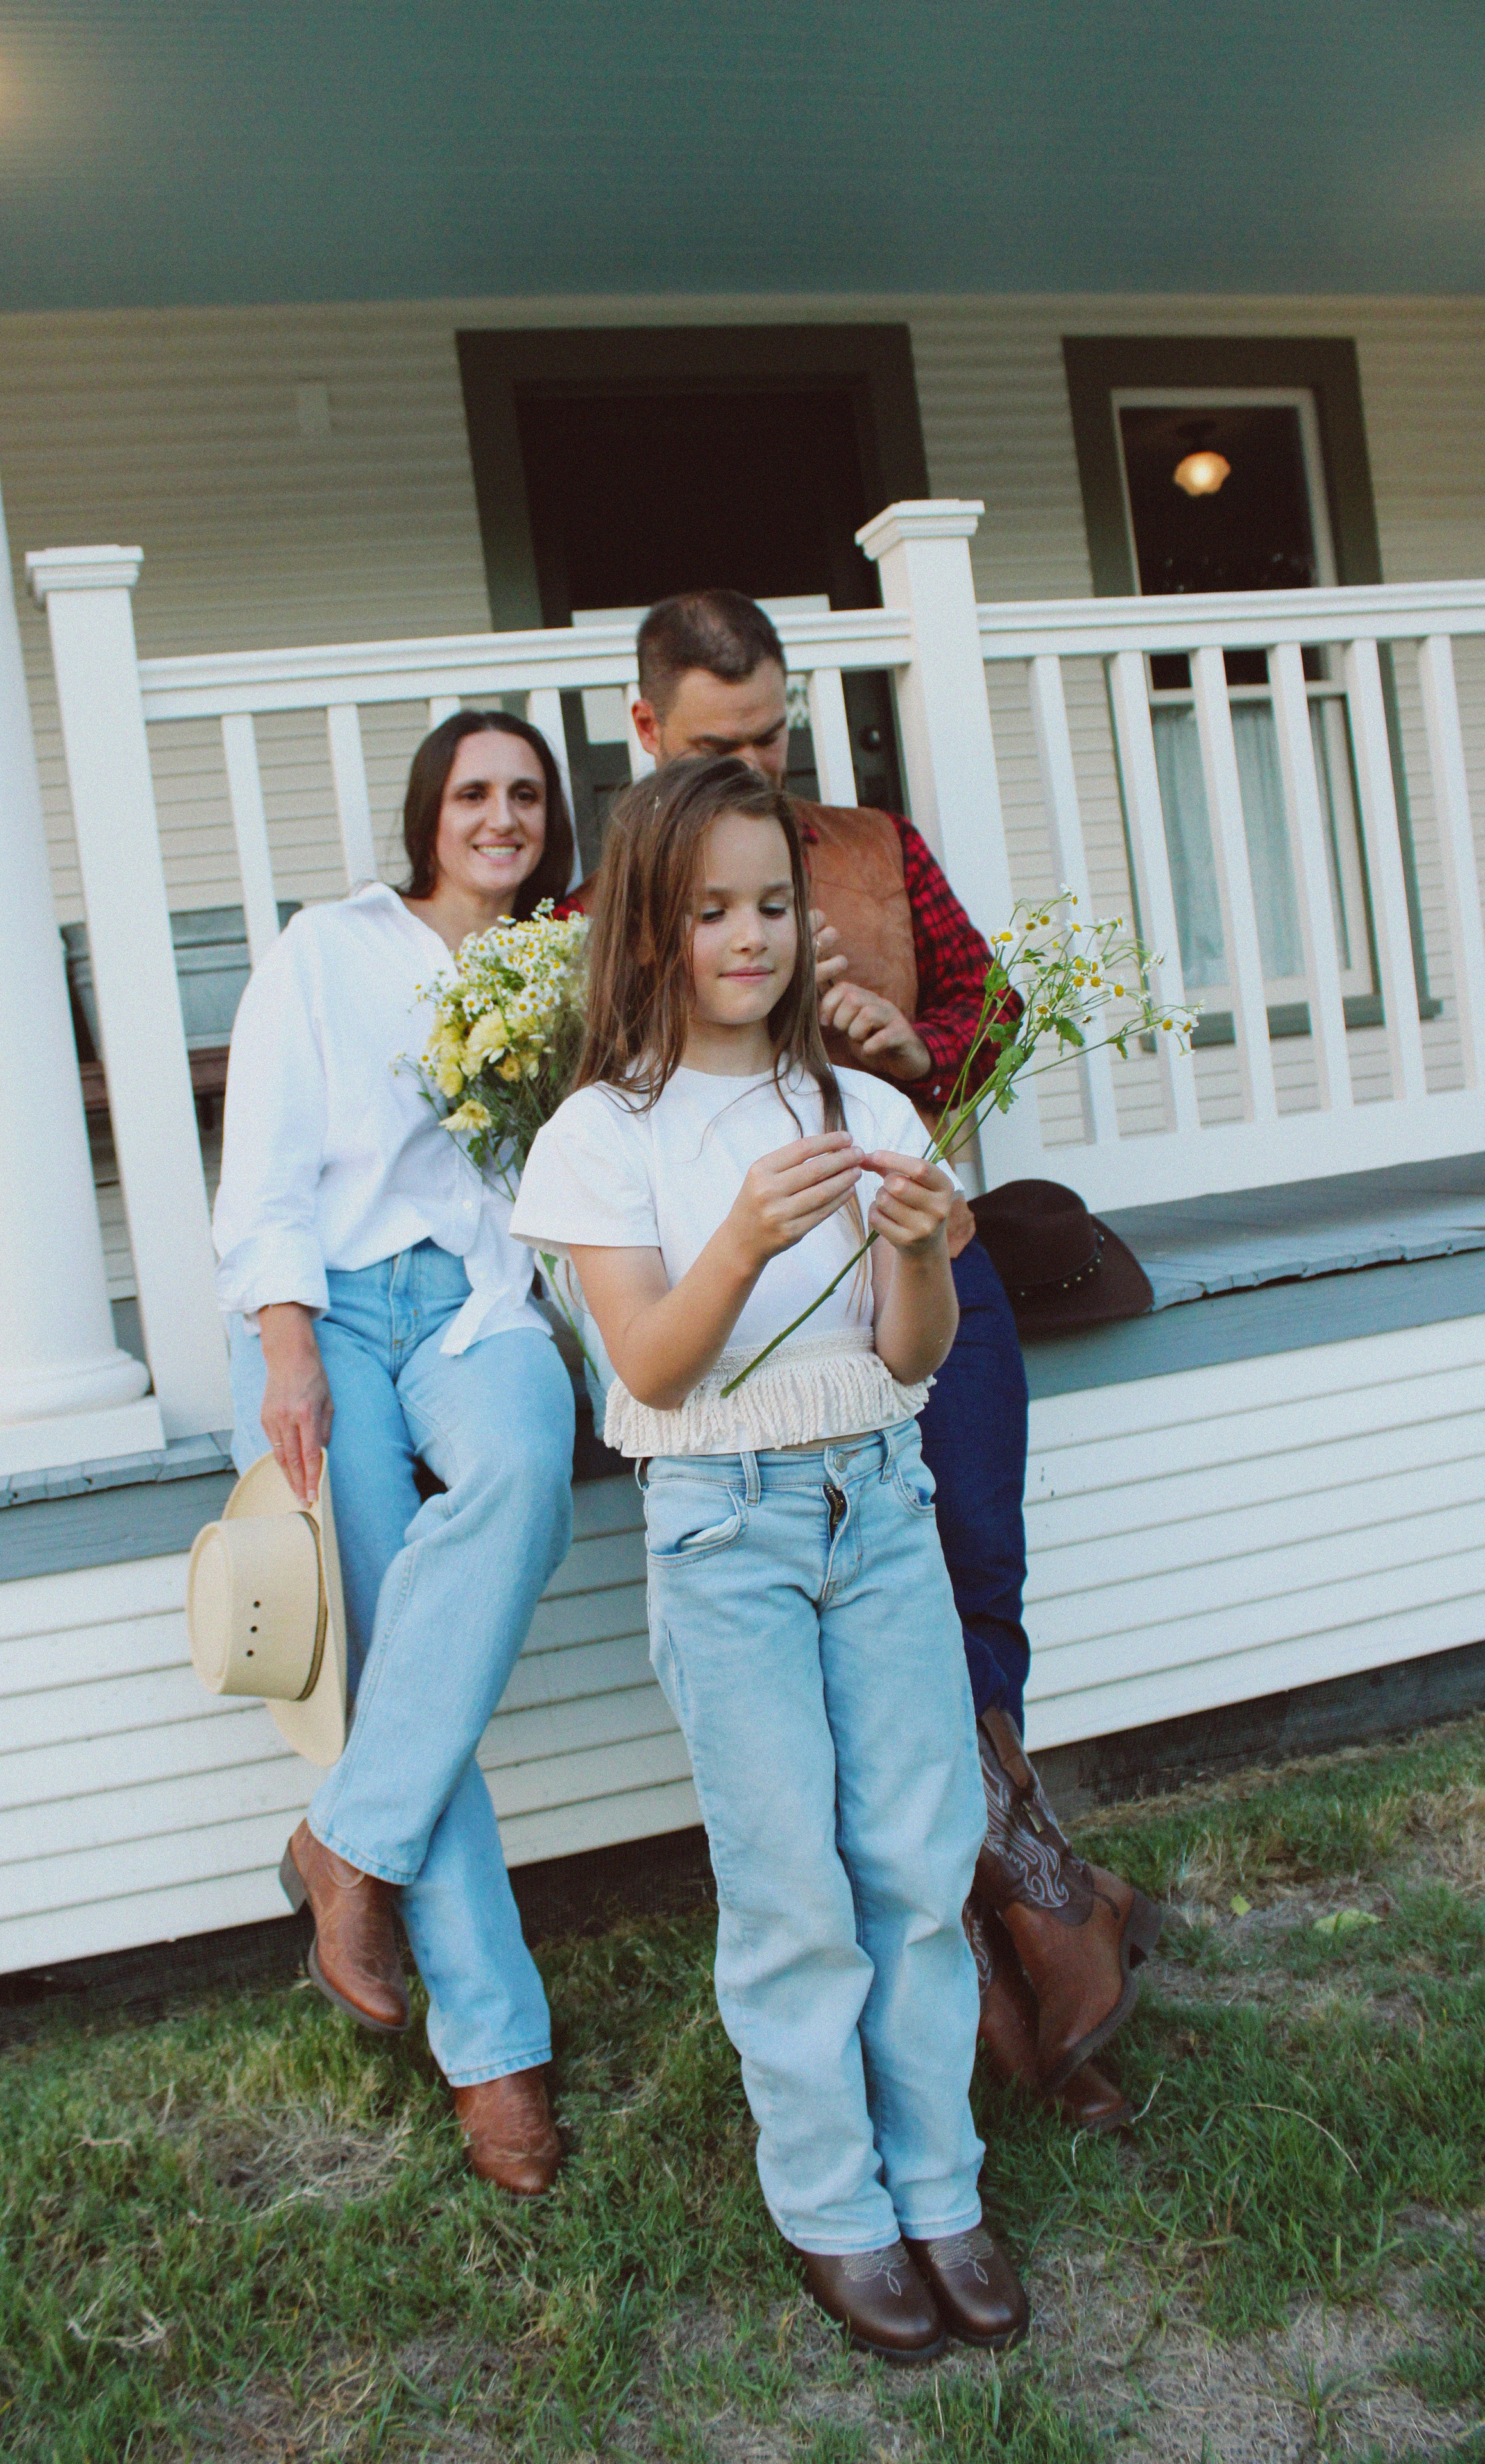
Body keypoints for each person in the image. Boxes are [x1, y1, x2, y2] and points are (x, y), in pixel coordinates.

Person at [623, 591, 1160, 2132]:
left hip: (931, 1269)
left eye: (772, 734)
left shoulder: (870, 849)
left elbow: (991, 1016)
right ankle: (1022, 1932)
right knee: (866, 1651)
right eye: (718, 742)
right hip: (760, 1345)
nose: (758, 767)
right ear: (648, 732)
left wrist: (917, 1056)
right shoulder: (620, 901)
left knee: (972, 1573)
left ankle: (1029, 1916)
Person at [514, 756, 1028, 2363]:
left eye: (773, 906)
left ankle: (939, 2183)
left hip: (876, 1510)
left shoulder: (863, 1105)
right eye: (712, 910)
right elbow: (650, 1372)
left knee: (914, 1857)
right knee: (794, 1886)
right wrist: (738, 1234)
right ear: (650, 932)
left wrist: (918, 1251)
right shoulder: (606, 1135)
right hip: (723, 1532)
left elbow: (907, 1354)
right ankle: (832, 2202)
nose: (750, 938)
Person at [213, 710, 579, 2194]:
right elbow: (267, 1163)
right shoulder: (331, 949)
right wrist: (287, 1346)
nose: (500, 816)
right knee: (395, 1646)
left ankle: (345, 1845)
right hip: (345, 1313)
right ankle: (495, 2059)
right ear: (431, 812)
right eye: (475, 792)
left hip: (484, 1305)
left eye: (527, 796)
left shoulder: (564, 970)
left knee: (519, 1482)